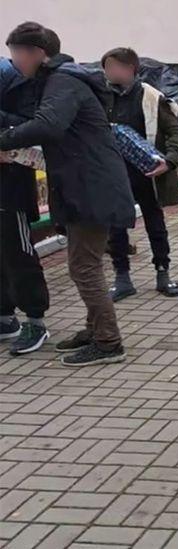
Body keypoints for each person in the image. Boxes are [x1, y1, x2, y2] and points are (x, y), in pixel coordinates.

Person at [0, 22, 135, 367]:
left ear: (36, 54)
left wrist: (5, 138)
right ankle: (94, 330)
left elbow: (47, 125)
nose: (14, 61)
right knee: (83, 264)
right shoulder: (57, 80)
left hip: (92, 185)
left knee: (84, 267)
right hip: (83, 184)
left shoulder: (63, 82)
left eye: (16, 53)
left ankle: (108, 342)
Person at [101, 47, 178, 302]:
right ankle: (122, 278)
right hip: (113, 174)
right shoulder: (101, 97)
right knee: (116, 226)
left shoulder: (152, 98)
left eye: (113, 67)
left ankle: (163, 272)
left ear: (130, 69)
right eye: (106, 67)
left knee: (154, 223)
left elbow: (176, 132)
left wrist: (169, 161)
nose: (107, 72)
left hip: (147, 173)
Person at [0, 49, 50, 355]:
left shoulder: (14, 79)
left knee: (18, 254)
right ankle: (6, 319)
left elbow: (31, 125)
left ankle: (35, 320)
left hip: (9, 187)